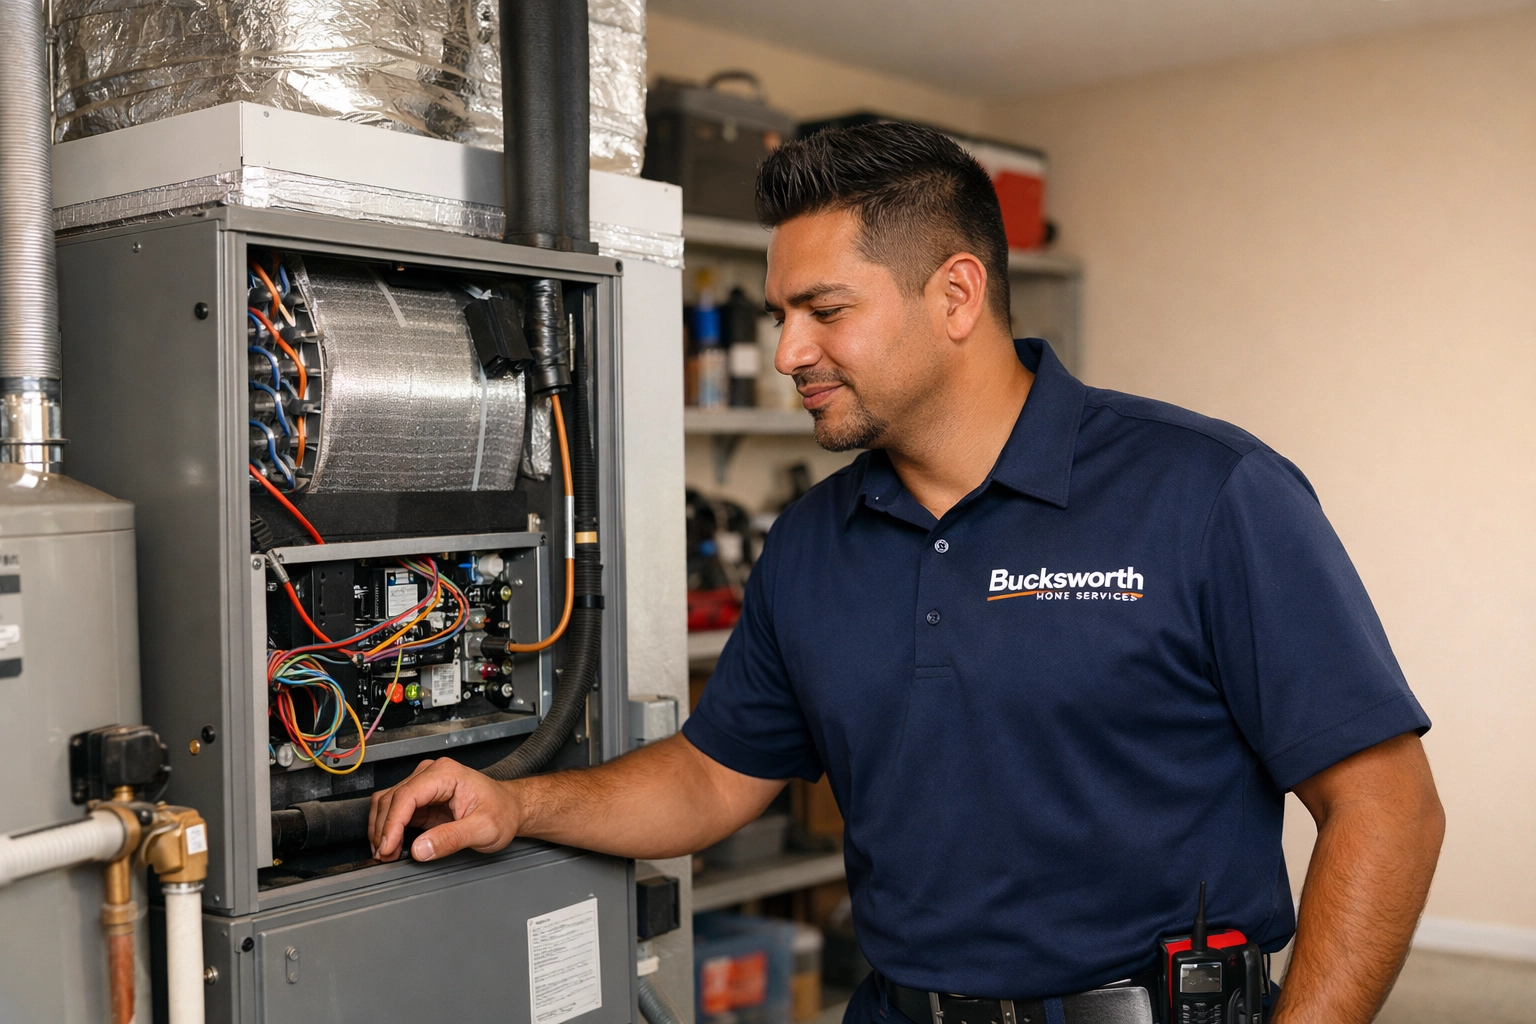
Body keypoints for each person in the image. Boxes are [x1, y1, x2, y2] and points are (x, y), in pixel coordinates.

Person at [370, 122, 1443, 1024]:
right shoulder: (810, 543)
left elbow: (1387, 808)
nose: (789, 349)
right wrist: (518, 804)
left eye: (824, 311)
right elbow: (710, 777)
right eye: (779, 312)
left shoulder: (1210, 493)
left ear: (958, 294)